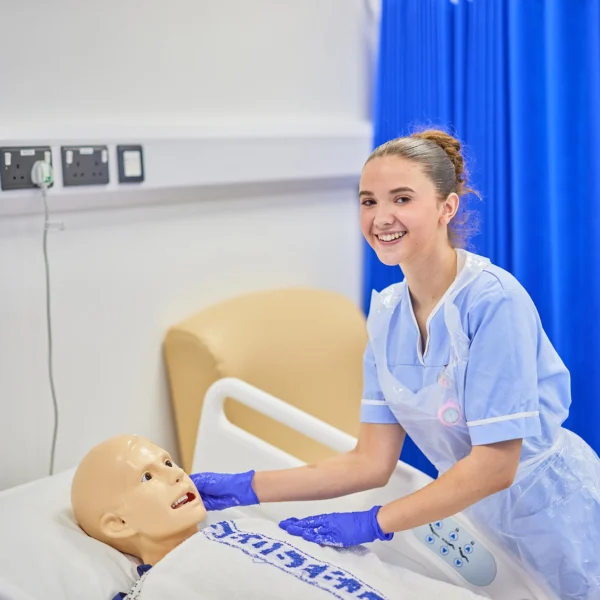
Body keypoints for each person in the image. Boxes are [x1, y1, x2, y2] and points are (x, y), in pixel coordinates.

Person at [190, 129, 600, 600]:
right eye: (368, 202)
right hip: (479, 514)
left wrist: (372, 523)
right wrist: (247, 487)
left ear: (447, 207)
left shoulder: (492, 302)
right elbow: (369, 462)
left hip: (555, 513)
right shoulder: (386, 315)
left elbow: (495, 466)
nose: (380, 218)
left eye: (401, 199)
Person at [71, 434, 485, 600]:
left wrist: (369, 526)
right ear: (117, 524)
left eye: (168, 461)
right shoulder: (163, 586)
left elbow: (376, 574)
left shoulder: (250, 524)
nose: (177, 473)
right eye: (148, 476)